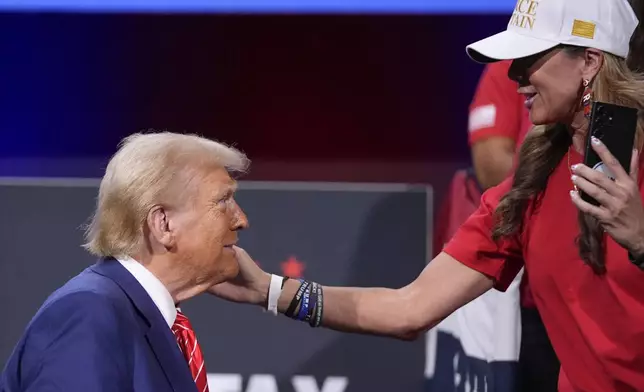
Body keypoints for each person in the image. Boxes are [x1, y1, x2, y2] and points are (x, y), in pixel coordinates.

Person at [209, 0, 644, 390]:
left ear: (589, 61)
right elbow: (409, 309)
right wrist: (267, 289)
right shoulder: (527, 185)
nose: (513, 76)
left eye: (529, 58)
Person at [0, 132, 250, 392]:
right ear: (163, 223)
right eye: (223, 201)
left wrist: (272, 292)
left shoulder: (146, 317)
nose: (241, 219)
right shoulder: (90, 313)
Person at [469, 60, 560, 391]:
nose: (520, 84)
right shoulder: (504, 204)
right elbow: (411, 311)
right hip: (537, 308)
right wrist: (299, 296)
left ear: (590, 62)